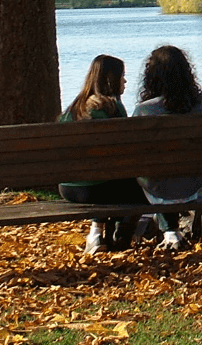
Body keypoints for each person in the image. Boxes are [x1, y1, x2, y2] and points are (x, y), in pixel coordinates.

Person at [57, 54, 148, 254]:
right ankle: (122, 233)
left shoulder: (72, 110)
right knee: (145, 187)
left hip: (68, 188)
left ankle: (96, 233)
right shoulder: (113, 108)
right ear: (111, 79)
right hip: (99, 188)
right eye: (122, 76)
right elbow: (125, 154)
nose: (125, 81)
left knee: (108, 178)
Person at [133, 45, 202, 251]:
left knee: (156, 172)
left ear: (151, 77)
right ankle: (171, 231)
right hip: (194, 182)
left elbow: (135, 155)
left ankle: (169, 231)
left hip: (156, 186)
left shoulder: (144, 111)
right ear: (187, 73)